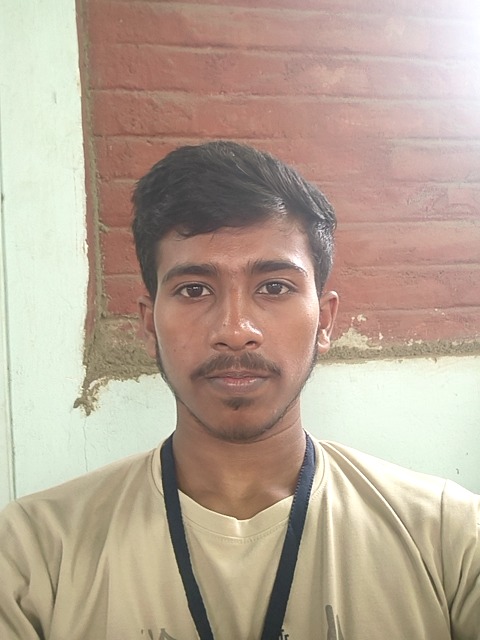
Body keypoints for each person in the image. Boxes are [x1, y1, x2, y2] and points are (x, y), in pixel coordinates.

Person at [0, 141, 478, 640]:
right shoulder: (34, 555)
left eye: (274, 287)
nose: (234, 330)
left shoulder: (449, 538)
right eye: (194, 289)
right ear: (148, 325)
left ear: (325, 321)